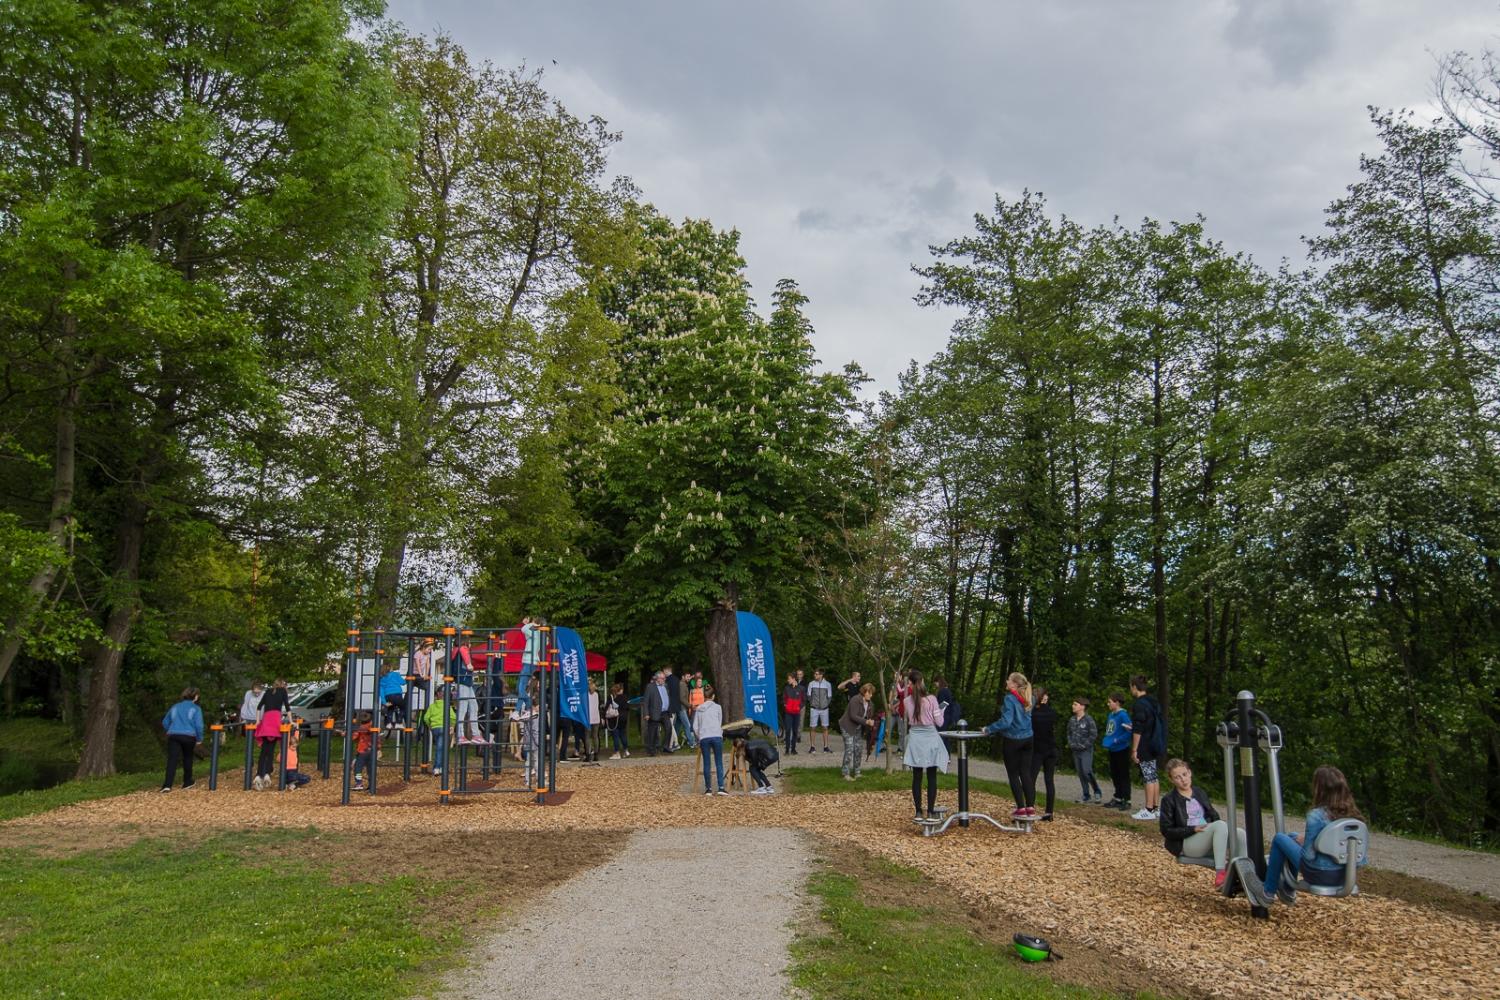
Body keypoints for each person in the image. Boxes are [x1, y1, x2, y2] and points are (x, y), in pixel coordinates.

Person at [1261, 765, 1368, 905]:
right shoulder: (1355, 818)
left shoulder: (1316, 816)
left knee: (1280, 838)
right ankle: (1287, 889)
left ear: (1319, 789)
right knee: (1292, 837)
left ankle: (1268, 891)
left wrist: (1306, 844)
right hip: (1345, 876)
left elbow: (1308, 857)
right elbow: (1360, 860)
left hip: (1319, 874)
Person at [1160, 758, 1244, 889]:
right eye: (1177, 777)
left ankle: (1244, 872)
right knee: (1220, 825)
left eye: (1184, 774)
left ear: (1190, 772)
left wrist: (1223, 833)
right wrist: (1192, 829)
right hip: (1186, 842)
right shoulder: (1169, 800)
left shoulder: (1199, 792)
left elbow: (1213, 815)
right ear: (1172, 780)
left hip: (1205, 835)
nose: (1183, 779)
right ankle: (1220, 874)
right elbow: (1166, 830)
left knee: (1239, 833)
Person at [982, 672, 1036, 819]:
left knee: (1013, 774)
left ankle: (1020, 807)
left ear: (1015, 684)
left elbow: (1006, 722)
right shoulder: (1030, 698)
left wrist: (989, 729)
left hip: (1013, 739)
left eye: (1009, 680)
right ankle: (1030, 806)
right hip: (1028, 738)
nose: (1006, 681)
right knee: (1025, 772)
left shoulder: (1010, 699)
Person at [901, 669, 950, 820]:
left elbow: (909, 717)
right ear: (921, 682)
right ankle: (930, 811)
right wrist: (940, 711)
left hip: (915, 737)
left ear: (910, 683)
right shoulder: (931, 700)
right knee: (931, 775)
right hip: (930, 737)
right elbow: (940, 722)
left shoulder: (906, 701)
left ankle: (918, 811)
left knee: (916, 776)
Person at [1129, 675, 1163, 820]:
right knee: (1153, 776)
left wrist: (1134, 749)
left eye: (1130, 687)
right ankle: (1156, 807)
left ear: (1134, 687)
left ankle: (1148, 809)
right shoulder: (1153, 702)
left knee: (1148, 776)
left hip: (1145, 744)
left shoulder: (1139, 704)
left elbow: (1139, 728)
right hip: (1155, 742)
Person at [161, 687, 204, 792]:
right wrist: (199, 739)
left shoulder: (175, 707)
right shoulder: (196, 708)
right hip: (189, 736)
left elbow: (165, 722)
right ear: (196, 696)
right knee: (188, 757)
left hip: (174, 735)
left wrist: (171, 729)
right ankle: (187, 781)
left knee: (172, 759)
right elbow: (199, 725)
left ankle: (167, 785)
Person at [1028, 686, 1059, 820]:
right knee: (1049, 780)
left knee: (1031, 780)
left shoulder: (1032, 714)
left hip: (1038, 750)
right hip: (1051, 749)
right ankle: (1049, 812)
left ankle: (1029, 809)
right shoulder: (1052, 713)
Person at [253, 678, 290, 791]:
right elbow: (288, 707)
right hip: (275, 720)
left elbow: (259, 707)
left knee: (264, 750)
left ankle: (259, 775)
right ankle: (267, 773)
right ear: (283, 685)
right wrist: (291, 720)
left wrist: (258, 721)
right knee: (271, 749)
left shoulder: (268, 691)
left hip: (266, 720)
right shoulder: (283, 691)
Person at [1066, 697, 1104, 803]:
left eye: (1075, 704)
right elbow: (1068, 733)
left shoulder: (1089, 719)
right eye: (1073, 704)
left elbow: (1093, 734)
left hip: (1086, 750)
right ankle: (1086, 794)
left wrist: (1085, 745)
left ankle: (1097, 791)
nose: (1073, 706)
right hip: (1075, 750)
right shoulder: (1072, 719)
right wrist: (1071, 743)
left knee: (1087, 771)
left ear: (1082, 706)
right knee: (1080, 773)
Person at [693, 684, 727, 795]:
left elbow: (695, 727)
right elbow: (719, 722)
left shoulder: (699, 709)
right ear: (713, 696)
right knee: (719, 762)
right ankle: (721, 787)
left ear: (704, 697)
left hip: (704, 737)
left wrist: (700, 736)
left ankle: (708, 788)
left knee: (707, 763)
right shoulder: (718, 707)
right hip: (716, 735)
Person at [1102, 693, 1133, 810]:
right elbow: (1110, 730)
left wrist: (1117, 740)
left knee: (1123, 774)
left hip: (1122, 749)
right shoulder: (1111, 715)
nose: (1108, 704)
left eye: (1110, 702)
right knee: (1115, 774)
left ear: (1117, 702)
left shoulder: (1123, 715)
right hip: (1112, 749)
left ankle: (1127, 799)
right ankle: (1118, 797)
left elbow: (1129, 732)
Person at [452, 644, 485, 746]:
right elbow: (465, 657)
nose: (470, 645)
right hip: (463, 681)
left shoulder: (459, 651)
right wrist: (469, 665)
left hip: (467, 682)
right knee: (462, 709)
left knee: (474, 707)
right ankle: (460, 735)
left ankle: (475, 735)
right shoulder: (461, 649)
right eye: (469, 642)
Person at [839, 683, 873, 780]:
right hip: (847, 726)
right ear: (864, 692)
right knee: (849, 749)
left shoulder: (870, 704)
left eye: (871, 693)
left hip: (858, 728)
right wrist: (866, 721)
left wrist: (871, 722)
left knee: (858, 749)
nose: (871, 695)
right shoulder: (855, 700)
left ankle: (857, 772)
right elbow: (853, 716)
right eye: (869, 693)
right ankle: (845, 773)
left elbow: (869, 716)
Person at [422, 688, 451, 777]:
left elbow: (426, 718)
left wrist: (430, 725)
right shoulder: (447, 706)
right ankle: (437, 768)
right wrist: (452, 725)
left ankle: (440, 767)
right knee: (441, 748)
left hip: (435, 728)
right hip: (444, 728)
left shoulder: (432, 706)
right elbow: (453, 717)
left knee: (440, 747)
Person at [644, 671, 672, 756]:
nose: (664, 680)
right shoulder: (650, 687)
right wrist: (646, 713)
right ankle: (651, 750)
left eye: (664, 678)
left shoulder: (665, 686)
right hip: (654, 712)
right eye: (663, 678)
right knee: (652, 732)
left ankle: (665, 746)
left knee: (669, 728)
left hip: (665, 712)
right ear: (657, 678)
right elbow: (646, 701)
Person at [806, 669, 834, 753]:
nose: (815, 675)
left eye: (816, 674)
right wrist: (813, 703)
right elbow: (808, 696)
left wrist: (825, 705)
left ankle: (826, 747)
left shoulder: (827, 684)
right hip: (814, 709)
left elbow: (829, 697)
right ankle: (812, 747)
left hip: (824, 709)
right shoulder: (811, 684)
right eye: (814, 674)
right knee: (812, 727)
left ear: (821, 675)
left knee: (825, 727)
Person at [350, 711, 377, 790]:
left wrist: (346, 734)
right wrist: (378, 748)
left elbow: (354, 737)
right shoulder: (373, 727)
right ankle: (372, 784)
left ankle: (359, 783)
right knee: (370, 768)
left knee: (357, 768)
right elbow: (378, 739)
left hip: (362, 751)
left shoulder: (361, 728)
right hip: (372, 750)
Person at [673, 667, 696, 751]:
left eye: (689, 677)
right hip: (681, 708)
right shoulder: (682, 684)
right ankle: (691, 743)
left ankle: (672, 742)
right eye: (687, 677)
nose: (689, 678)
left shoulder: (684, 684)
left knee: (677, 727)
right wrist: (690, 706)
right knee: (687, 725)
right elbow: (682, 698)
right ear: (683, 677)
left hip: (681, 708)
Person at [283, 723, 312, 790]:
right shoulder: (286, 748)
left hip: (294, 770)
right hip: (287, 771)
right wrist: (288, 727)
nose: (294, 748)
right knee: (292, 776)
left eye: (296, 747)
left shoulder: (294, 749)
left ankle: (292, 784)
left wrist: (297, 727)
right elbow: (287, 738)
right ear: (289, 745)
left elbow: (296, 736)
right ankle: (291, 783)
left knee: (307, 778)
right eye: (293, 746)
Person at [379, 664, 406, 734]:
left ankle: (388, 724)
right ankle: (399, 723)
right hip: (397, 695)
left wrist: (384, 701)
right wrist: (406, 679)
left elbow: (381, 691)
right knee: (403, 707)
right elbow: (403, 682)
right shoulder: (395, 674)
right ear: (390, 669)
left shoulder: (382, 678)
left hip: (388, 696)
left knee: (390, 709)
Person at [605, 682, 630, 759]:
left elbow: (606, 708)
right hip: (623, 719)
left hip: (614, 719)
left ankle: (617, 753)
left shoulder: (611, 697)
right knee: (623, 735)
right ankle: (626, 751)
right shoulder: (625, 697)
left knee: (615, 736)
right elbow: (627, 707)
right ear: (621, 690)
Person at [782, 676, 804, 756]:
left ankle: (793, 749)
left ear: (793, 679)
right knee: (788, 730)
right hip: (788, 713)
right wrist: (785, 705)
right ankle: (787, 749)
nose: (787, 680)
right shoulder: (786, 688)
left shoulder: (801, 688)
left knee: (795, 731)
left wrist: (799, 707)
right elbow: (784, 698)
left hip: (796, 713)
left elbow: (804, 700)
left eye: (789, 679)